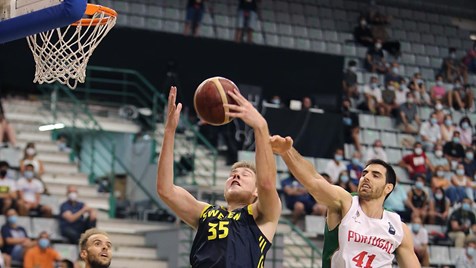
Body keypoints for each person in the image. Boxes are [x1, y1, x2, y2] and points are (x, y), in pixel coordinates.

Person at [156, 87, 281, 267]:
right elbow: (165, 190)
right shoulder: (206, 213)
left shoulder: (262, 215)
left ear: (256, 191)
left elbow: (267, 184)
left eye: (245, 175)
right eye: (233, 174)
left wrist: (260, 126)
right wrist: (169, 132)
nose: (236, 176)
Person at [270, 135, 420, 267]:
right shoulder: (345, 202)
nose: (366, 177)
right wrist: (287, 152)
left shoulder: (398, 227)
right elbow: (314, 180)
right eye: (364, 173)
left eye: (375, 175)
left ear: (388, 188)